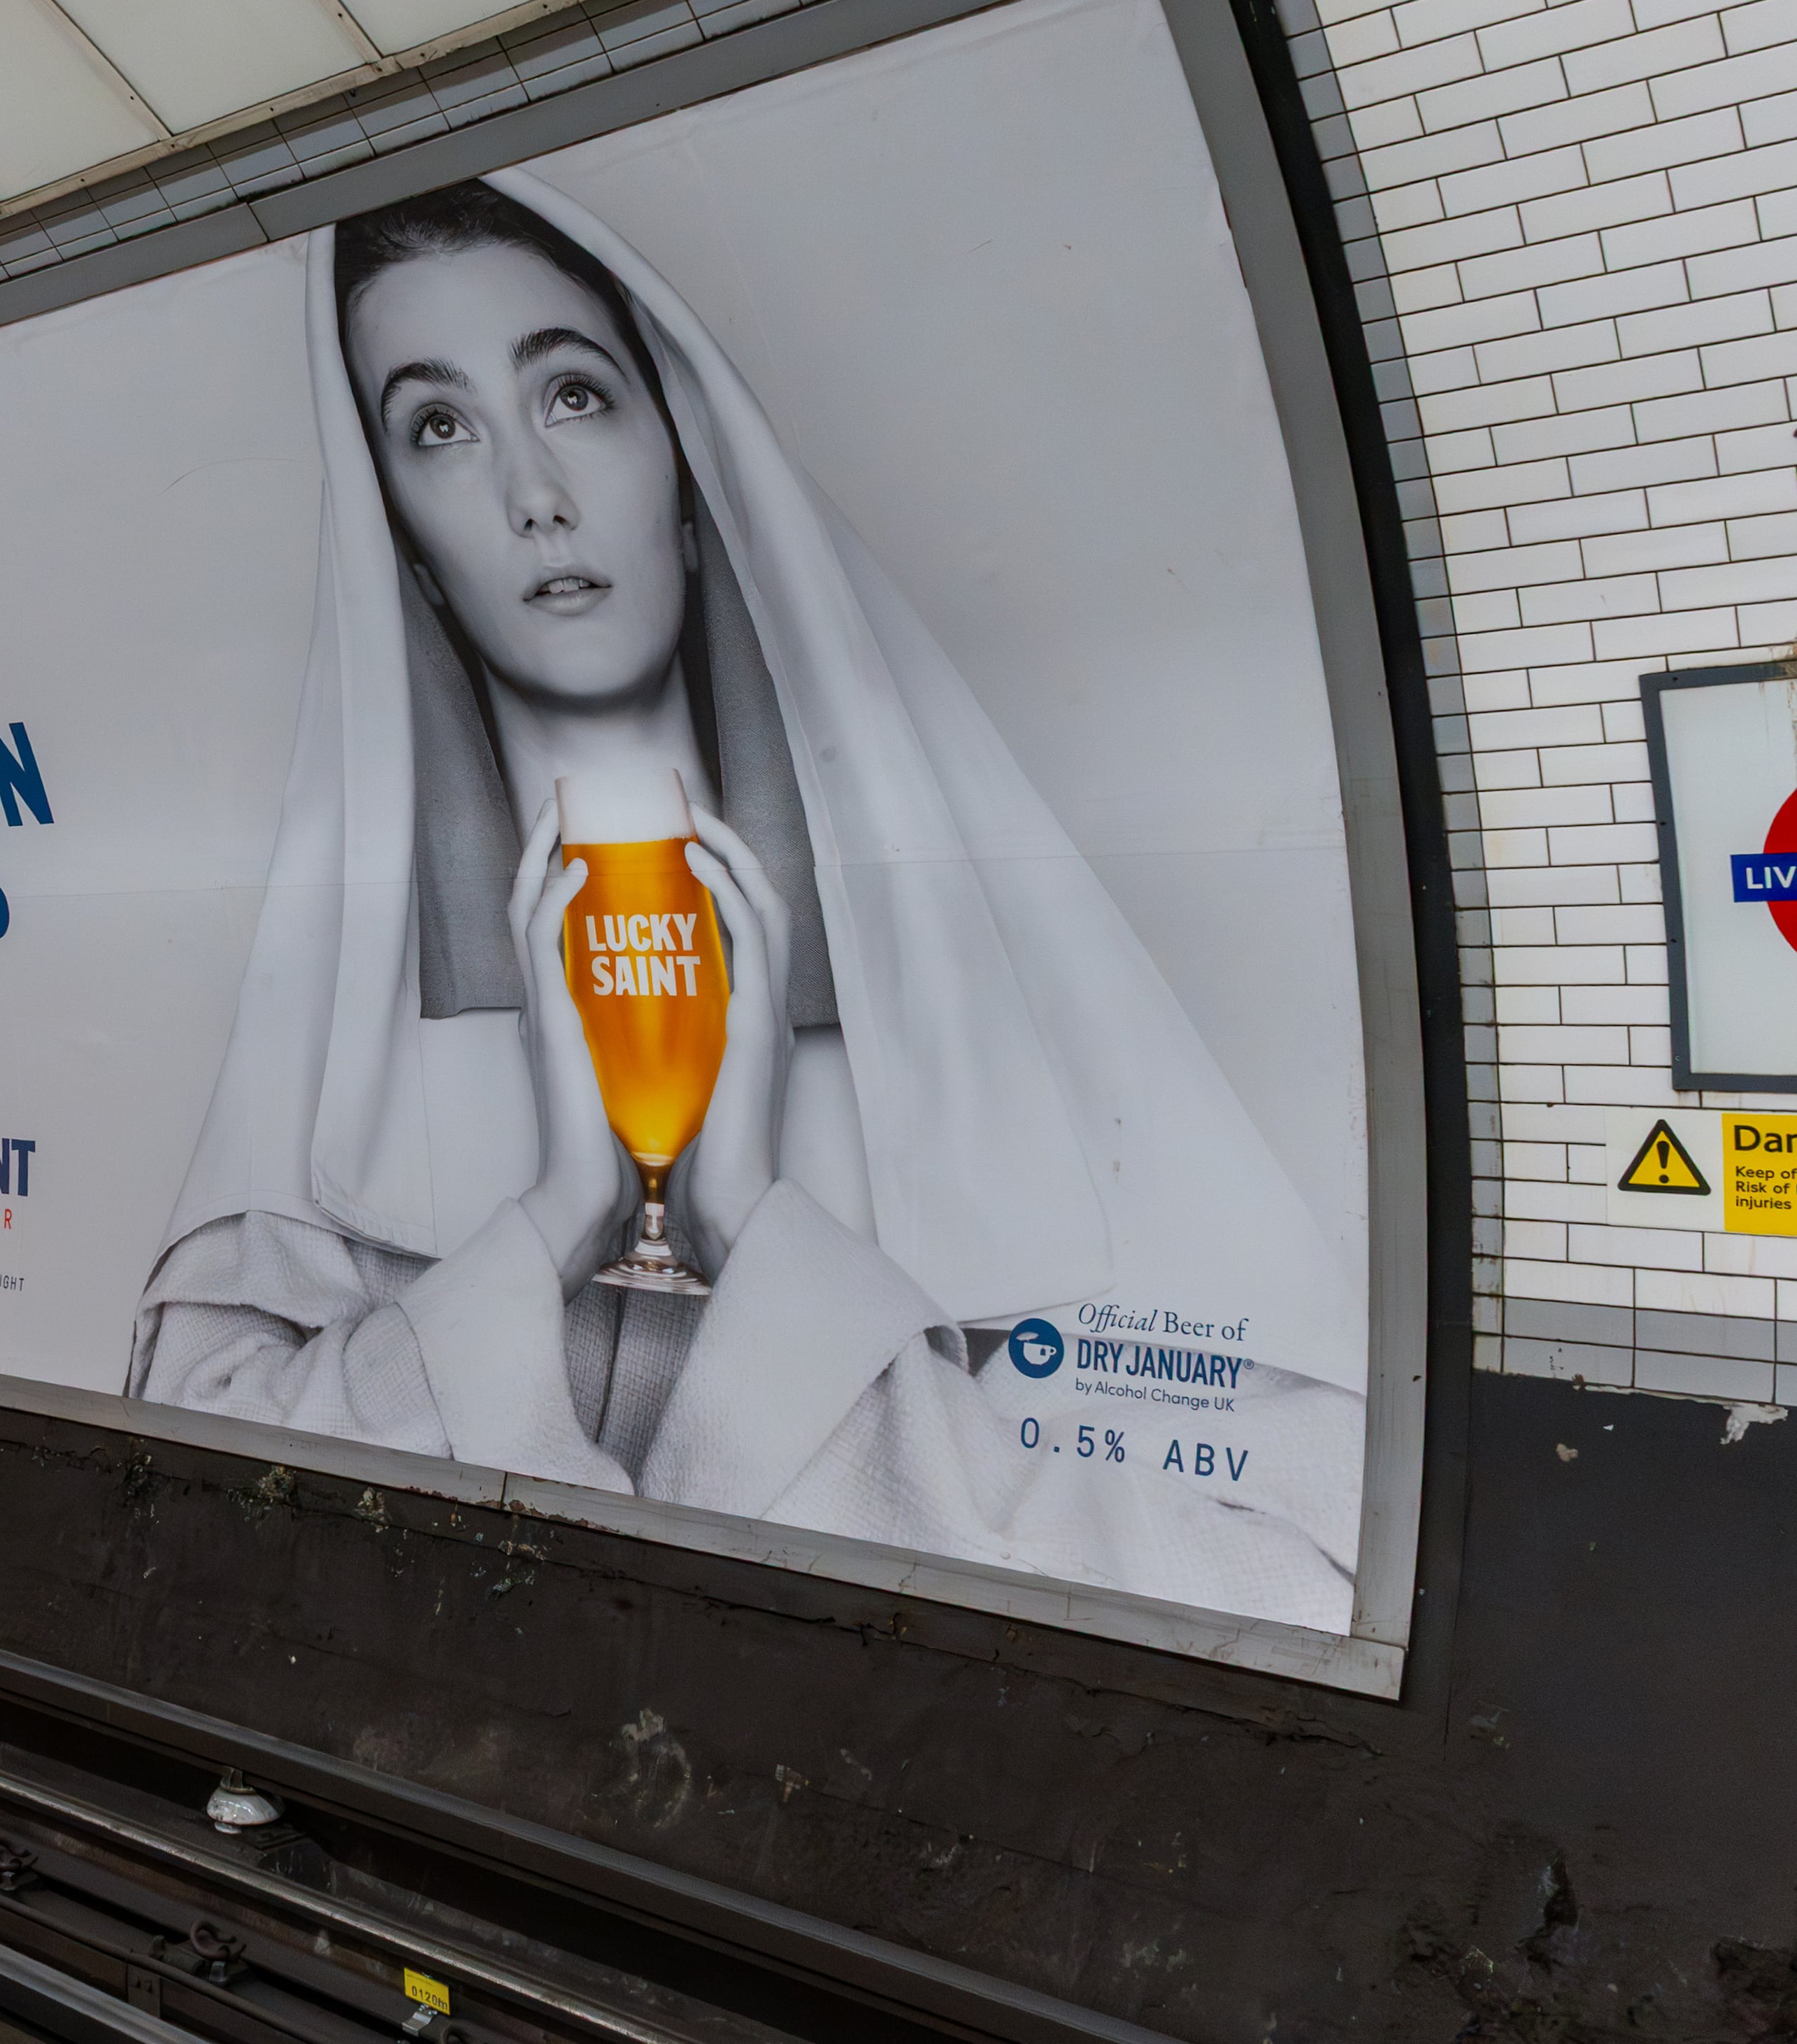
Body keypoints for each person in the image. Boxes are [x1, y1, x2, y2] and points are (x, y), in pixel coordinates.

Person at [124, 177, 1368, 1629]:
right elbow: (184, 1506)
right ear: (400, 533)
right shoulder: (342, 1050)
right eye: (440, 428)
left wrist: (755, 1228)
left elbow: (1283, 1571)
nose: (533, 493)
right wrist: (554, 1216)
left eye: (574, 395)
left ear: (686, 462)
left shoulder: (980, 1015)